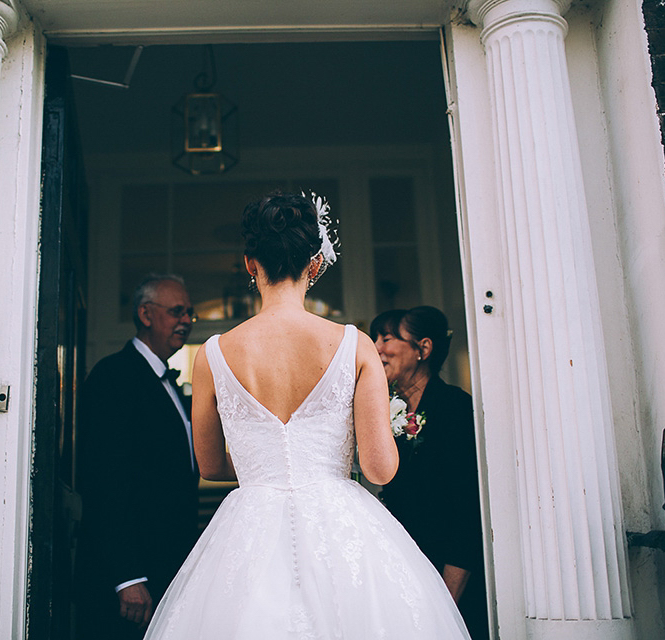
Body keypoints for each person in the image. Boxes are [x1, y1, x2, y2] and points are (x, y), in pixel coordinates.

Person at [142, 192, 471, 640]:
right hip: (339, 522)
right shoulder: (355, 345)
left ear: (249, 263)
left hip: (249, 524)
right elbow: (380, 468)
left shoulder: (212, 355)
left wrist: (266, 466)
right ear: (314, 265)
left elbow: (211, 465)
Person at [75, 274, 200, 640]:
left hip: (166, 562)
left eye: (190, 313)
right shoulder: (114, 376)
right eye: (178, 311)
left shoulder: (170, 383)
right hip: (131, 578)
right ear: (146, 314)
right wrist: (127, 575)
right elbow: (103, 480)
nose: (187, 321)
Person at [370, 306, 489, 640]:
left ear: (423, 349)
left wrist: (444, 605)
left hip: (448, 576)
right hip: (404, 568)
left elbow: (467, 510)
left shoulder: (453, 408)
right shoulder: (383, 410)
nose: (377, 347)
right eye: (375, 337)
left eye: (387, 338)